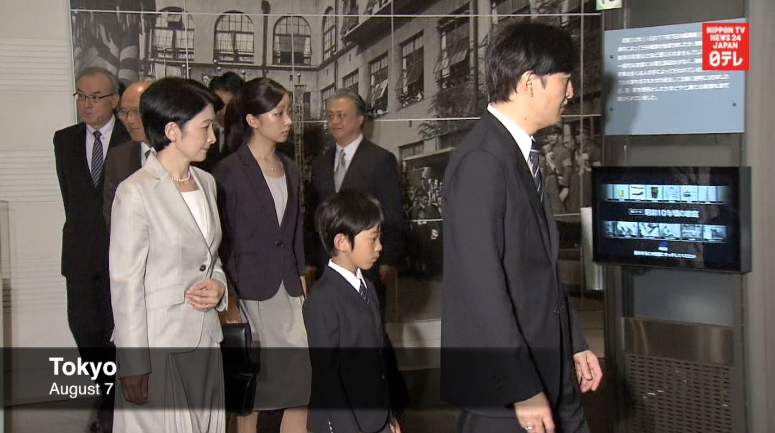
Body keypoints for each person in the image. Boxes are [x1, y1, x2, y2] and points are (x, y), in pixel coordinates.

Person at [440, 22, 603, 433]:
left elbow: (538, 271)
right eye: (565, 81)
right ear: (530, 83)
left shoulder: (516, 153)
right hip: (508, 396)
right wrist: (522, 388)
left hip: (549, 372)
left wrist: (575, 341)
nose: (570, 93)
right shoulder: (481, 161)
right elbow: (482, 289)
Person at [109, 77, 228, 433]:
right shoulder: (135, 193)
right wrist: (133, 363)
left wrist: (219, 287)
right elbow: (125, 284)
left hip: (206, 340)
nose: (212, 138)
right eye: (206, 128)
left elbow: (212, 258)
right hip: (159, 347)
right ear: (173, 131)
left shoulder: (207, 183)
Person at [214, 77, 310, 433]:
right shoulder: (227, 173)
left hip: (288, 294)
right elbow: (221, 243)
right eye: (279, 113)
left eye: (289, 112)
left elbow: (294, 230)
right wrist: (229, 303)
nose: (288, 120)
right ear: (253, 120)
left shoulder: (291, 168)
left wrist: (301, 281)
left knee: (300, 387)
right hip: (249, 294)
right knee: (251, 396)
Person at [53, 66, 129, 433]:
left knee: (120, 332)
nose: (87, 104)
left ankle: (114, 404)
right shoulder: (64, 140)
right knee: (84, 330)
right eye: (81, 96)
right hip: (80, 257)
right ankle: (106, 393)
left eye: (95, 96)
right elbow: (73, 200)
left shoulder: (129, 141)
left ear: (114, 100)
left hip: (120, 258)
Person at [304, 189, 404, 433]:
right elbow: (327, 378)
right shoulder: (322, 300)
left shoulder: (368, 287)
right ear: (341, 242)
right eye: (372, 239)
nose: (379, 247)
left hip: (374, 419)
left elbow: (380, 363)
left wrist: (388, 416)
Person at [305, 89, 403, 320]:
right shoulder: (320, 164)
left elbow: (393, 213)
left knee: (368, 329)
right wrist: (309, 259)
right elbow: (312, 213)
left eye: (341, 115)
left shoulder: (381, 160)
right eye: (330, 116)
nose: (334, 122)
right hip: (327, 264)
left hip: (368, 266)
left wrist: (389, 260)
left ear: (360, 119)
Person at [102, 80, 153, 230]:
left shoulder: (180, 153)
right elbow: (112, 214)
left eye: (136, 112)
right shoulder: (118, 157)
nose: (129, 120)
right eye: (124, 112)